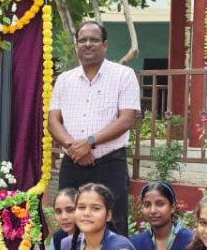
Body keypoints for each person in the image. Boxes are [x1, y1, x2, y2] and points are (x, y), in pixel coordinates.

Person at [48, 20, 141, 236]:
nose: (88, 44)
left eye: (94, 40)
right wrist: (75, 147)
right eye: (82, 40)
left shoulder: (123, 75)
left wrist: (89, 142)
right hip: (72, 164)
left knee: (113, 224)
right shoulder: (64, 80)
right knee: (70, 224)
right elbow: (53, 121)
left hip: (109, 164)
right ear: (77, 45)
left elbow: (126, 120)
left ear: (105, 44)